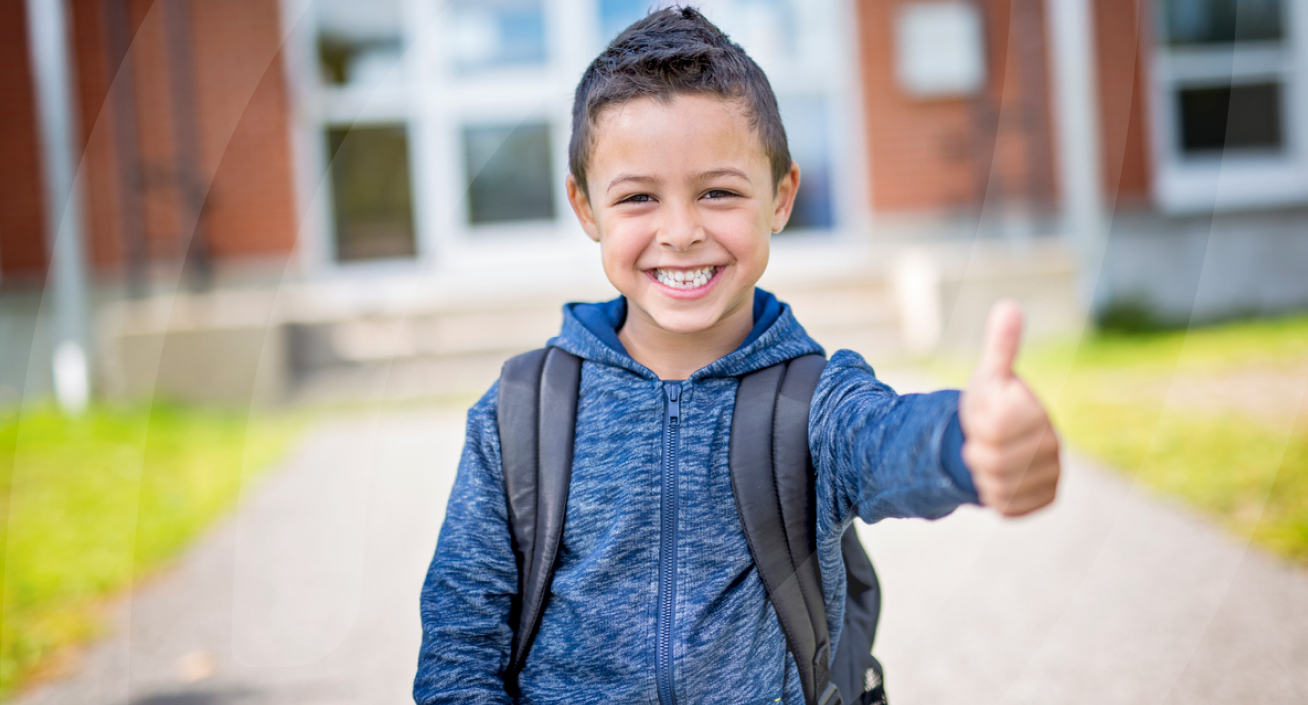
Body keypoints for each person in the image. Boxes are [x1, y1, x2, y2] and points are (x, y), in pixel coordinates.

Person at [414, 7, 1060, 704]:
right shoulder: (520, 413)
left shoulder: (816, 400)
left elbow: (888, 440)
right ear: (585, 207)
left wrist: (969, 439)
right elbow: (459, 651)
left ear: (780, 198)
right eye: (638, 197)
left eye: (717, 192)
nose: (682, 231)